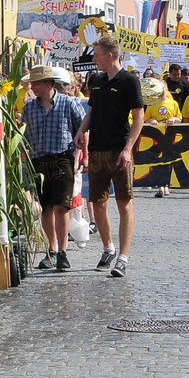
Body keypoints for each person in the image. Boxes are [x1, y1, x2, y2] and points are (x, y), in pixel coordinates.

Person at [76, 36, 145, 277]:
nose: (93, 59)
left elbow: (139, 118)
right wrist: (82, 129)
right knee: (98, 202)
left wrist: (128, 149)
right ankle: (108, 248)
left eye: (96, 55)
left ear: (109, 56)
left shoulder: (130, 81)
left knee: (124, 203)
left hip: (119, 150)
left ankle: (123, 258)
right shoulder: (97, 81)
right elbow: (91, 111)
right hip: (97, 150)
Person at [21, 63, 87, 272]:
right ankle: (51, 249)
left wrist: (85, 156)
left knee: (61, 206)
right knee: (46, 208)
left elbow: (82, 130)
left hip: (62, 159)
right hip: (38, 161)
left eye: (35, 83)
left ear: (48, 83)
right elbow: (25, 136)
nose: (32, 86)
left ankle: (62, 252)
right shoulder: (29, 107)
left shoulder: (69, 103)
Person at [142, 77, 180, 198]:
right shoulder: (151, 104)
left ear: (166, 89)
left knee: (168, 161)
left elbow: (180, 118)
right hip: (156, 139)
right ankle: (159, 186)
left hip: (169, 137)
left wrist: (174, 119)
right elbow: (145, 119)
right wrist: (151, 120)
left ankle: (166, 186)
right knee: (157, 162)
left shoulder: (173, 103)